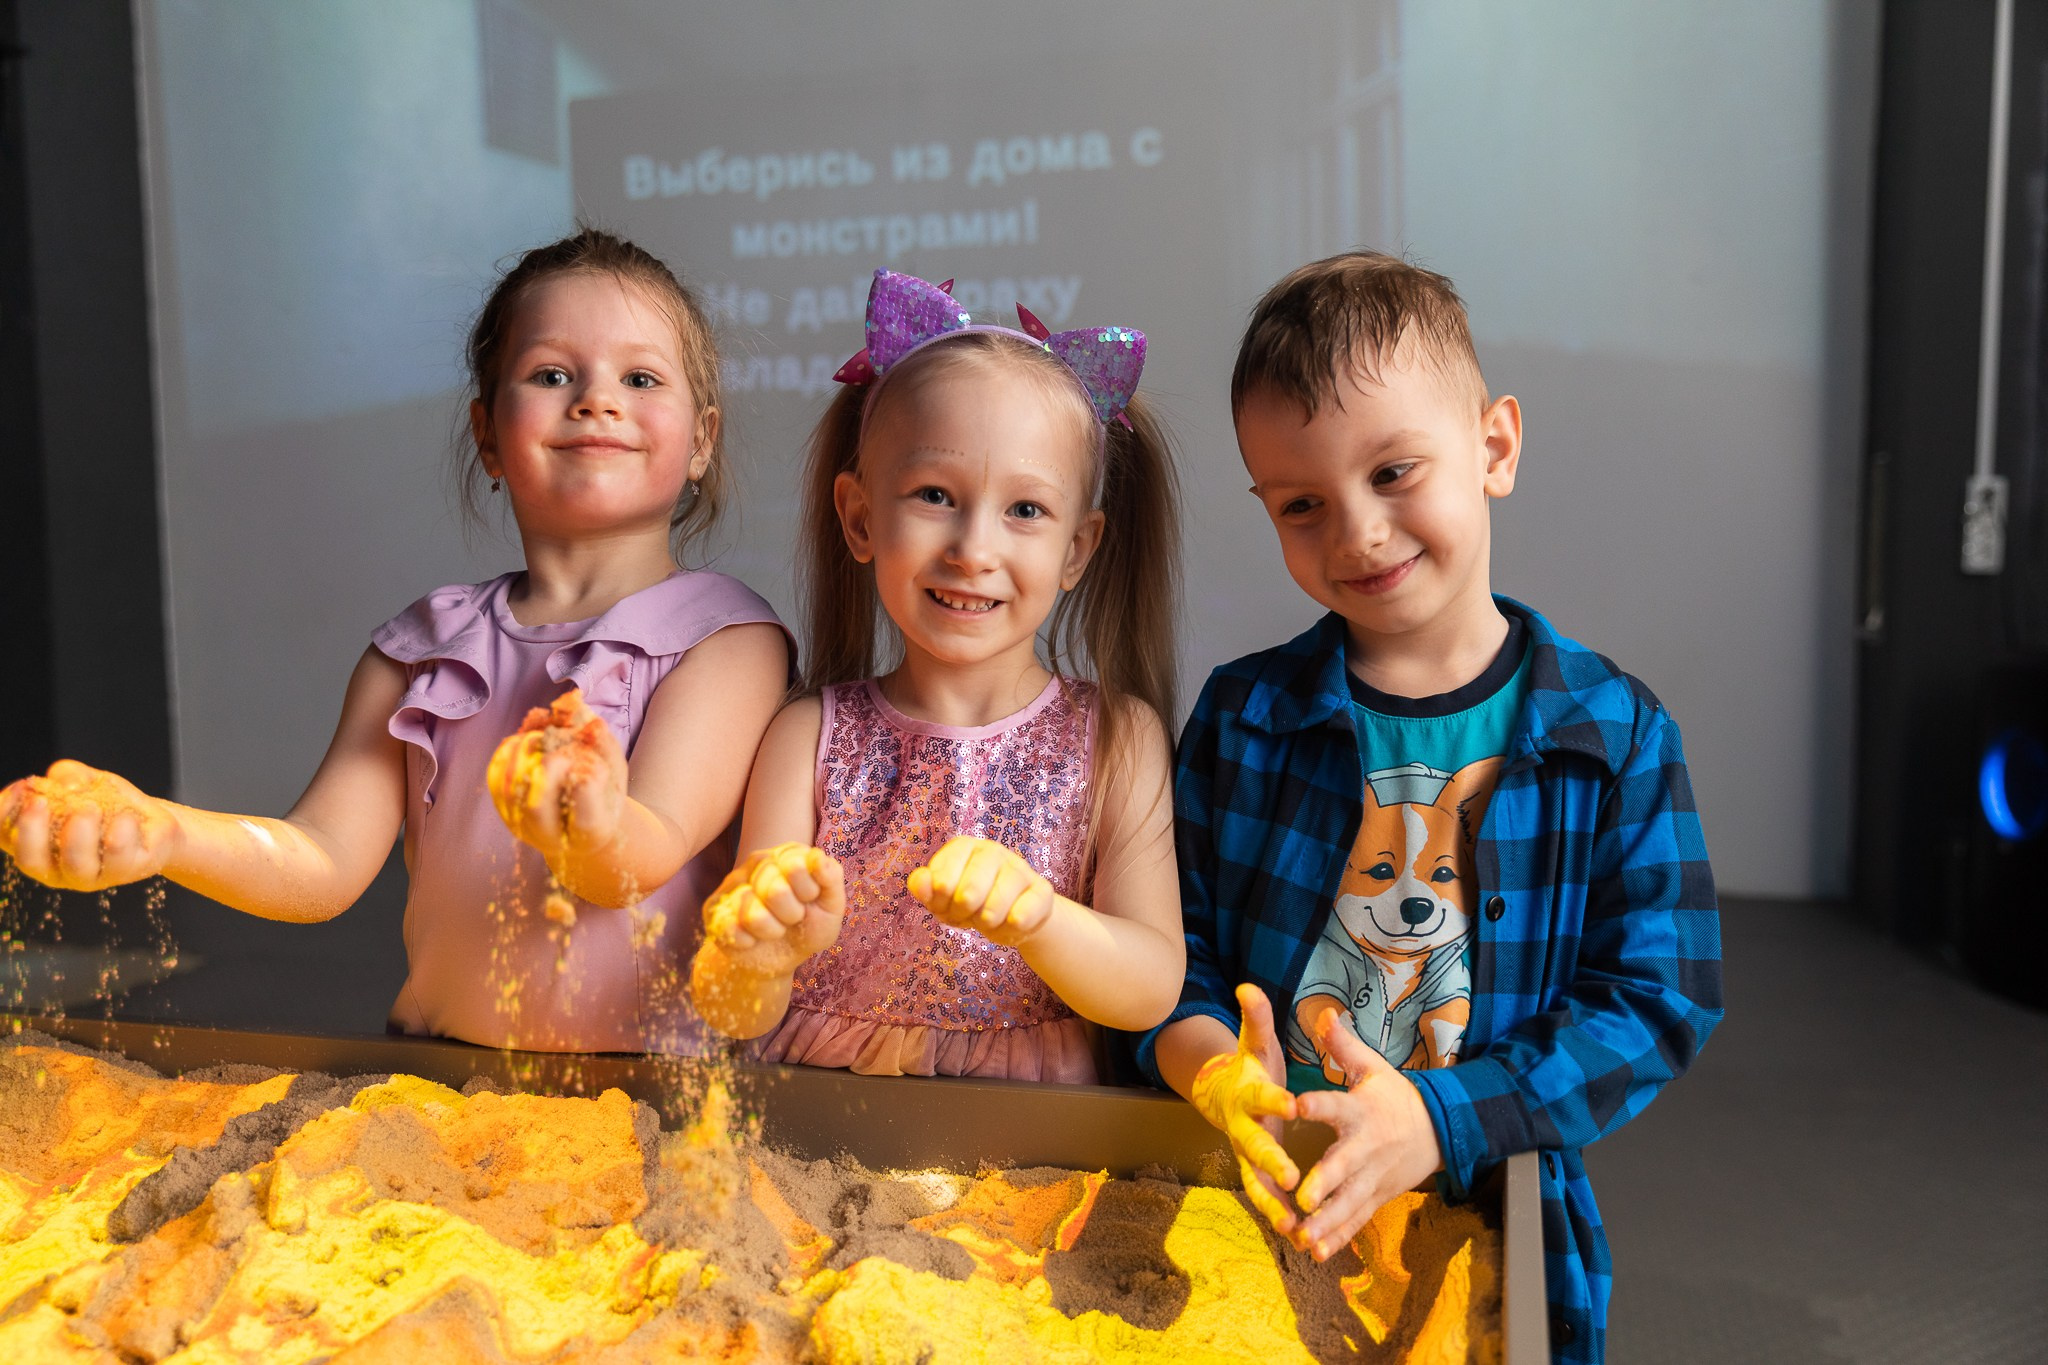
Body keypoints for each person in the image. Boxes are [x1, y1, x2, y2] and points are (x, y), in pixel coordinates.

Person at [1135, 252, 1724, 1361]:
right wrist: (1215, 1062)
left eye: (1393, 473)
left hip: (1484, 1203)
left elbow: (1659, 1000)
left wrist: (1440, 1116)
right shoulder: (1243, 715)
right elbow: (1173, 949)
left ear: (1492, 447)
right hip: (1263, 1202)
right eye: (1301, 504)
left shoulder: (1613, 731)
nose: (1355, 532)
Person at [0, 229, 790, 1054]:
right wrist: (166, 831)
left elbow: (641, 852)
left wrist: (583, 821)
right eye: (552, 374)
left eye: (640, 377)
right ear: (488, 434)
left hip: (654, 1098)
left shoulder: (727, 641)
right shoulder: (420, 650)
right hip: (442, 1084)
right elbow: (322, 862)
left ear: (701, 439)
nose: (596, 399)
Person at [688, 269, 1184, 1083]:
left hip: (1029, 1147)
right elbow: (733, 1010)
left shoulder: (1118, 739)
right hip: (817, 1124)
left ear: (1078, 549)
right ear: (859, 518)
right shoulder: (805, 734)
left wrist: (1041, 919)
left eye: (1026, 510)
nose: (973, 549)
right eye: (933, 495)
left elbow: (1151, 986)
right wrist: (759, 954)